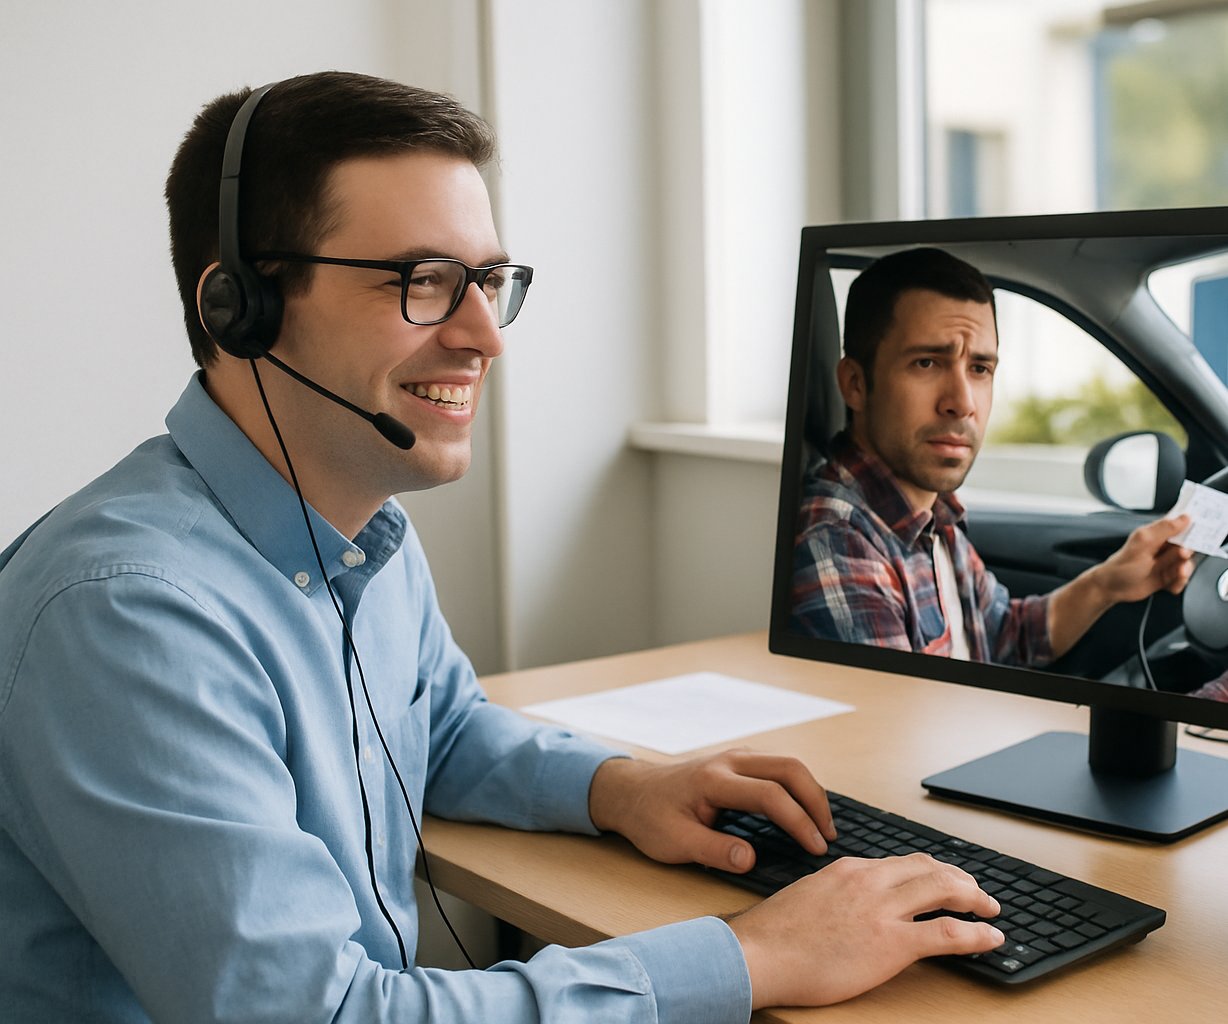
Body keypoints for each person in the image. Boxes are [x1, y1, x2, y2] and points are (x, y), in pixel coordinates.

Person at [0, 74, 1007, 1024]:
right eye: (426, 281)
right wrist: (753, 957)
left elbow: (438, 730)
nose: (486, 335)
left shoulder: (365, 534)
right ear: (243, 310)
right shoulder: (127, 614)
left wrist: (626, 787)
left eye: (488, 280)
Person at [790, 247, 1228, 713]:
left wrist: (1105, 584)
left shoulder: (926, 515)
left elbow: (999, 638)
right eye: (927, 363)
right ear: (856, 385)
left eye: (980, 368)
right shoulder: (838, 540)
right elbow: (900, 759)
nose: (962, 402)